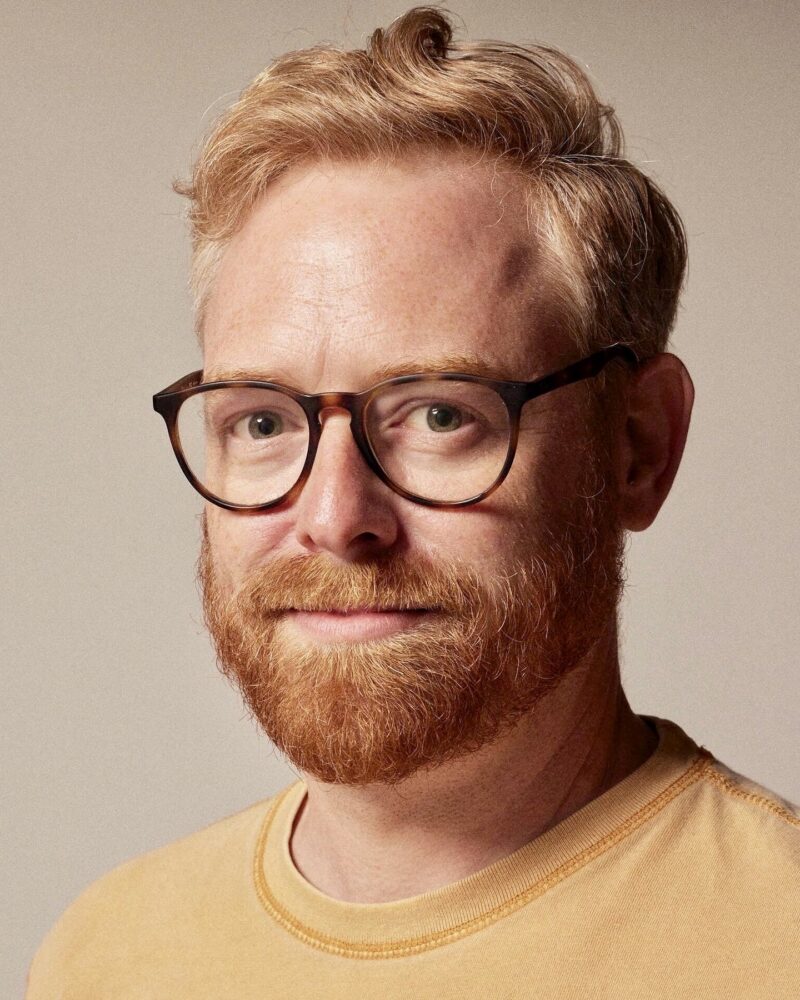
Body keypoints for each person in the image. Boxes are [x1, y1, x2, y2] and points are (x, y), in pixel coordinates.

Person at [27, 7, 799, 997]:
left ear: (637, 446)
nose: (335, 516)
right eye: (263, 423)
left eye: (438, 413)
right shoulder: (104, 957)